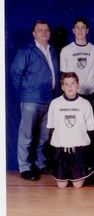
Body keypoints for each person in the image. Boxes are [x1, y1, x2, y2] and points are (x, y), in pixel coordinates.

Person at [10, 19, 59, 181]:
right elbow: (15, 73)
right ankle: (24, 167)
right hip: (31, 99)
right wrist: (26, 91)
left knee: (44, 135)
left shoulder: (51, 50)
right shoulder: (26, 50)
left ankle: (40, 163)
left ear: (49, 33)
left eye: (46, 30)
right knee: (27, 135)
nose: (44, 33)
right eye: (40, 30)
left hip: (49, 98)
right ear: (34, 33)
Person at [46, 72, 94, 188]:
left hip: (79, 149)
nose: (70, 87)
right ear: (62, 87)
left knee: (77, 185)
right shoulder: (55, 103)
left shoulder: (85, 104)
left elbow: (90, 129)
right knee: (61, 186)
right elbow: (51, 127)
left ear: (78, 85)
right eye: (66, 84)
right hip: (61, 149)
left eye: (73, 83)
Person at [59, 17, 94, 112]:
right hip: (72, 94)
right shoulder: (66, 50)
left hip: (90, 95)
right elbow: (63, 76)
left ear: (87, 30)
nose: (80, 30)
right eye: (77, 27)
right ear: (73, 30)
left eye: (83, 27)